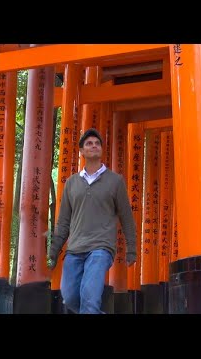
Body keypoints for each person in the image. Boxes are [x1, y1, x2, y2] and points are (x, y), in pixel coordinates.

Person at [48, 128, 136, 314]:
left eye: (97, 143)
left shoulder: (115, 181)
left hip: (101, 248)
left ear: (101, 150)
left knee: (89, 297)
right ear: (81, 151)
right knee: (70, 297)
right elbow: (63, 221)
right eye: (89, 143)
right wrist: (54, 251)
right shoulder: (71, 183)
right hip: (75, 249)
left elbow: (126, 217)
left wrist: (132, 249)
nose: (94, 146)